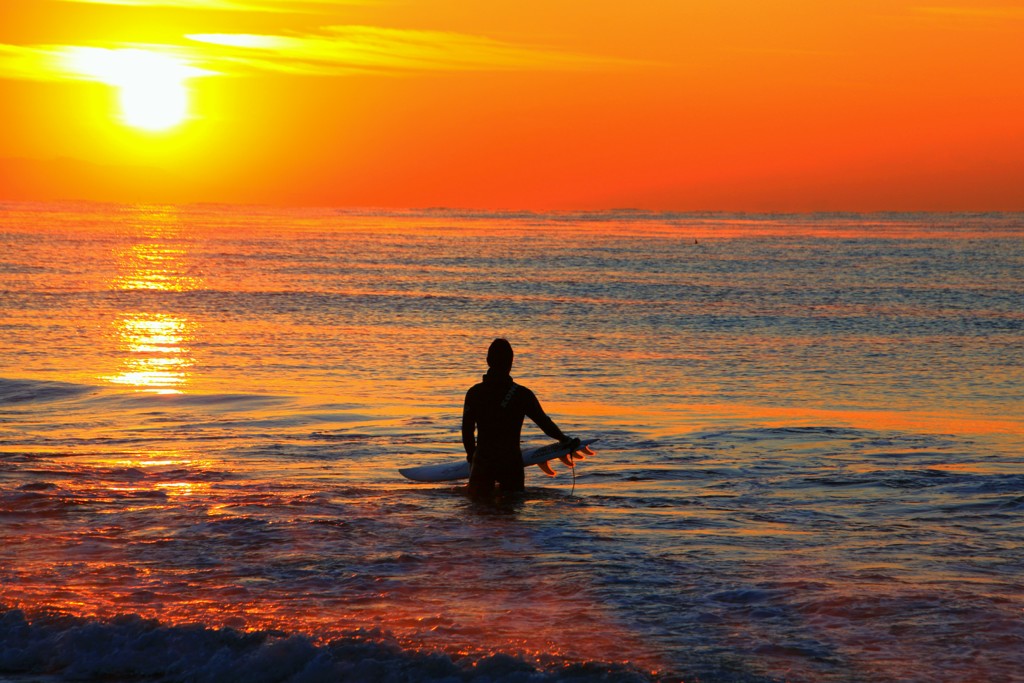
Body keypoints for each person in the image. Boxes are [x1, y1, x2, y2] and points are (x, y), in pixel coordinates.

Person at [462, 338, 576, 497]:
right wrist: (564, 439)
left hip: (483, 461)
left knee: (480, 512)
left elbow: (467, 432)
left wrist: (472, 458)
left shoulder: (474, 393)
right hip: (510, 463)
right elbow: (544, 423)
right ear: (511, 362)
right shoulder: (521, 394)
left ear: (488, 361)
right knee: (511, 511)